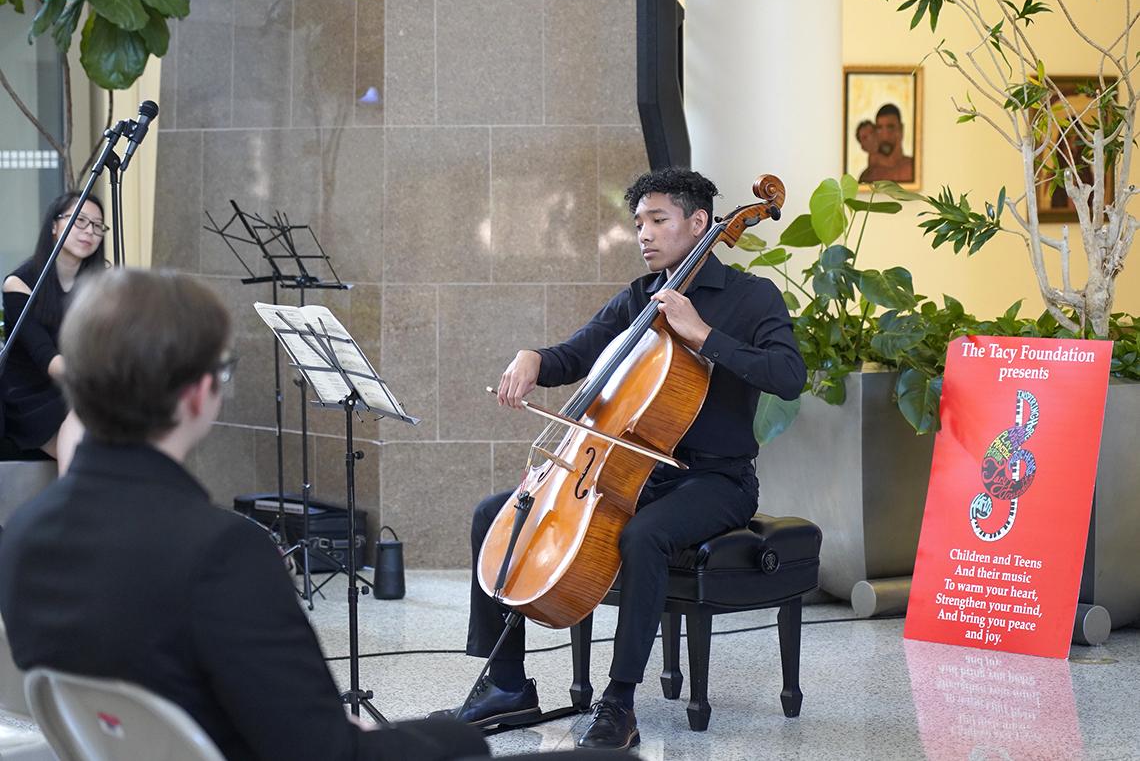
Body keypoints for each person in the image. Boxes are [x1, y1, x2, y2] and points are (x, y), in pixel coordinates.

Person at [0, 269, 489, 761]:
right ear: (197, 393)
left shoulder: (23, 534)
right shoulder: (223, 552)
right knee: (461, 743)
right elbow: (326, 753)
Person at [438, 168, 807, 750]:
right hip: (634, 467)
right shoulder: (640, 297)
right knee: (495, 513)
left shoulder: (751, 298)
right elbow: (580, 353)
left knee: (645, 537)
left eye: (657, 220)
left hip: (716, 478)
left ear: (699, 223)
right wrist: (533, 357)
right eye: (638, 222)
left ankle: (619, 702)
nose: (644, 234)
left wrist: (703, 335)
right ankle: (507, 683)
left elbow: (789, 377)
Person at [1, 192, 105, 466]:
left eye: (97, 225)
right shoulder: (20, 283)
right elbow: (46, 358)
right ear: (54, 226)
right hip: (31, 394)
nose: (89, 231)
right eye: (80, 221)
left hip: (76, 388)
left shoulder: (101, 286)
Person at [858, 103, 915, 183]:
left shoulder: (913, 168)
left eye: (890, 127)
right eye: (879, 128)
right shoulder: (867, 176)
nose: (885, 135)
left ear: (901, 129)